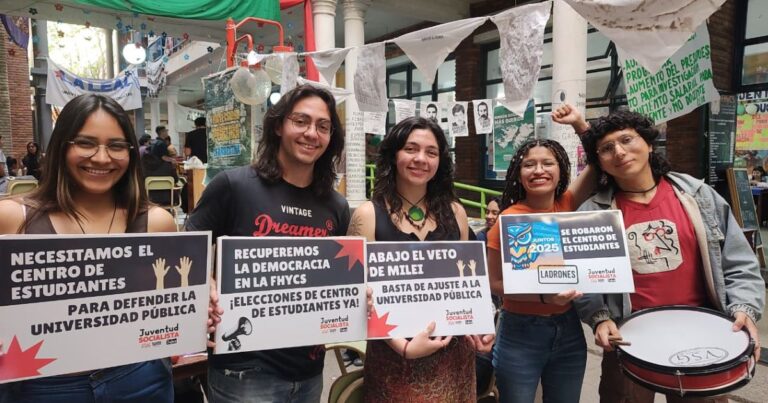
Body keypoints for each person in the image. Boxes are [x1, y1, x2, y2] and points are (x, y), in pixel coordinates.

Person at [574, 109, 765, 403]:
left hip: (703, 334)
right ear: (599, 161)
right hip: (627, 338)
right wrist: (599, 319)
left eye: (627, 140)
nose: (620, 152)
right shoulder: (593, 213)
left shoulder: (699, 196)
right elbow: (584, 279)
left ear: (649, 144)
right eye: (607, 148)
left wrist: (745, 307)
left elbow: (738, 261)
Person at [0, 93, 176, 402]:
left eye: (117, 146)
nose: (102, 157)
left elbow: (170, 304)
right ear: (60, 147)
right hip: (43, 387)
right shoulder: (14, 218)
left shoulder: (157, 222)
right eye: (85, 143)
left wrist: (202, 300)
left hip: (140, 378)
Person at [187, 84, 349, 403]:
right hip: (244, 371)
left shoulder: (336, 206)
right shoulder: (233, 186)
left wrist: (357, 292)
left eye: (323, 126)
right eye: (300, 121)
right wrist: (205, 285)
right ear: (278, 125)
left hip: (309, 370)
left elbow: (337, 276)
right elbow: (187, 255)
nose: (311, 133)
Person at [347, 116, 494, 402]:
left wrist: (480, 325)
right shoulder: (367, 214)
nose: (421, 159)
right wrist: (403, 347)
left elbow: (468, 284)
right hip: (395, 359)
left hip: (453, 360)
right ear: (393, 155)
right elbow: (357, 295)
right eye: (411, 149)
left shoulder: (456, 212)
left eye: (431, 152)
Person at [486, 104, 596, 403]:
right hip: (519, 332)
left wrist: (580, 124)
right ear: (518, 174)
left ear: (560, 169)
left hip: (570, 330)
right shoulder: (507, 220)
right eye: (528, 165)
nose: (538, 171)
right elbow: (494, 283)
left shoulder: (567, 204)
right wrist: (544, 297)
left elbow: (598, 164)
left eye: (547, 163)